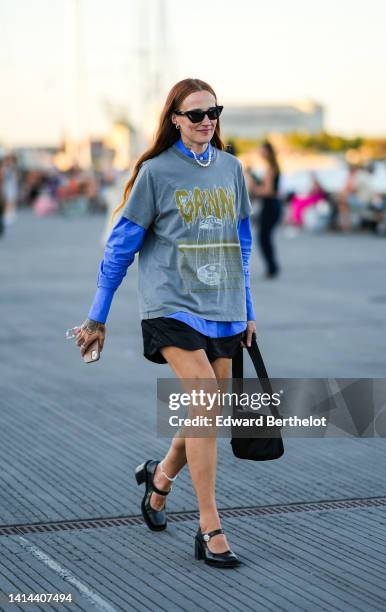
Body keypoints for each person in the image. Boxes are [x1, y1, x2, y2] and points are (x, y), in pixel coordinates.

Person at [73, 78, 256, 568]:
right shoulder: (156, 173)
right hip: (169, 304)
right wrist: (98, 314)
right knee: (206, 401)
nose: (206, 121)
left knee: (207, 413)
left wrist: (249, 310)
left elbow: (242, 243)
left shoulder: (232, 169)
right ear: (174, 118)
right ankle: (209, 525)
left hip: (223, 306)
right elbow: (120, 247)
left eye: (212, 111)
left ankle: (159, 480)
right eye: (195, 114)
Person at [246, 141, 282, 278]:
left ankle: (272, 267)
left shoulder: (271, 168)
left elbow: (268, 191)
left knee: (263, 238)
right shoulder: (273, 167)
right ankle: (272, 267)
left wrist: (253, 188)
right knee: (265, 237)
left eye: (262, 150)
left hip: (270, 205)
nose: (260, 153)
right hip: (272, 205)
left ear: (268, 151)